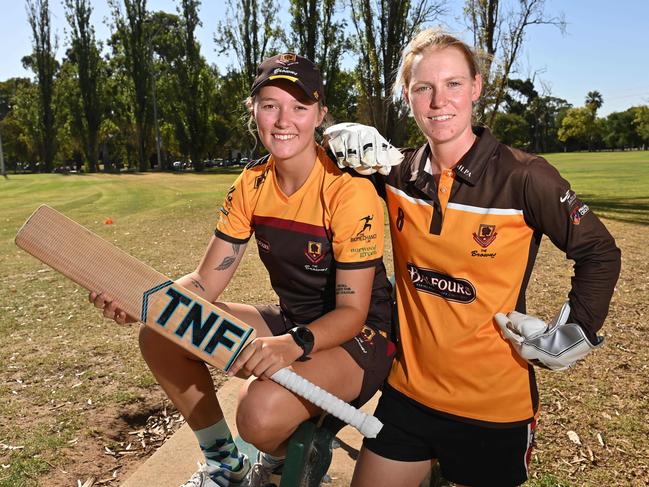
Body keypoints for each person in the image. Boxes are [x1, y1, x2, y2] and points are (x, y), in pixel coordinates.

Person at [325, 28, 621, 487]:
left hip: (493, 406)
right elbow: (314, 163)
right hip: (408, 395)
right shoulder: (395, 172)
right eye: (424, 87)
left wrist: (578, 327)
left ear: (476, 88)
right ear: (408, 96)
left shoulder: (525, 177)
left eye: (453, 84)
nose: (439, 100)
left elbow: (599, 251)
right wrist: (335, 137)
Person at [90, 53, 394, 487]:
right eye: (270, 104)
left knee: (258, 412)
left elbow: (352, 312)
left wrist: (292, 345)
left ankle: (290, 455)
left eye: (299, 107)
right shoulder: (250, 184)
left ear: (320, 114)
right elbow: (205, 283)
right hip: (292, 320)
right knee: (159, 334)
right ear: (254, 111)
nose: (283, 119)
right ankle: (225, 466)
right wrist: (143, 301)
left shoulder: (349, 191)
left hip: (360, 335)